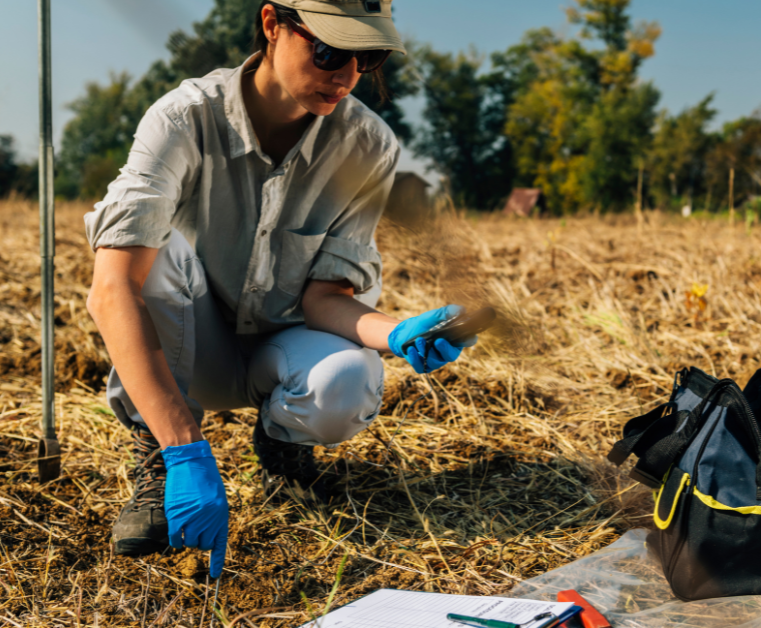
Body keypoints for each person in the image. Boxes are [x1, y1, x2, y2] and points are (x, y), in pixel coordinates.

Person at [83, 0, 474, 580]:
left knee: (349, 380)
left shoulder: (368, 146)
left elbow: (324, 299)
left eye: (365, 57)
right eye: (329, 49)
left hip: (280, 346)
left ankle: (283, 445)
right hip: (190, 351)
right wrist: (186, 447)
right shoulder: (184, 119)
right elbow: (112, 290)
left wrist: (395, 332)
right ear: (272, 24)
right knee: (151, 252)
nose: (345, 75)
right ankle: (161, 459)